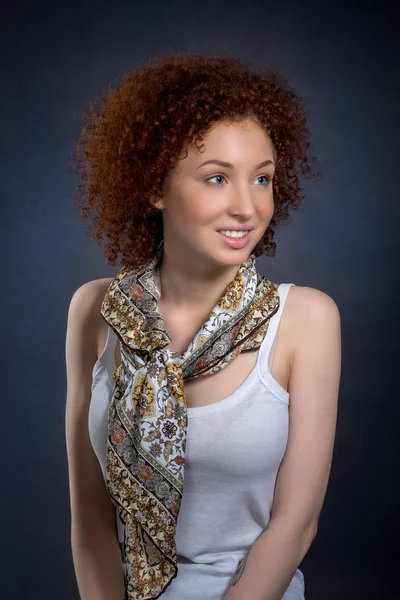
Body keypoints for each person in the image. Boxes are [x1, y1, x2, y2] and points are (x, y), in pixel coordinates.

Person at [65, 51, 341, 600]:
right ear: (154, 187)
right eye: (217, 178)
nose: (247, 207)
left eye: (262, 179)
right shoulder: (94, 310)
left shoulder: (307, 319)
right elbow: (90, 519)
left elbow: (295, 525)